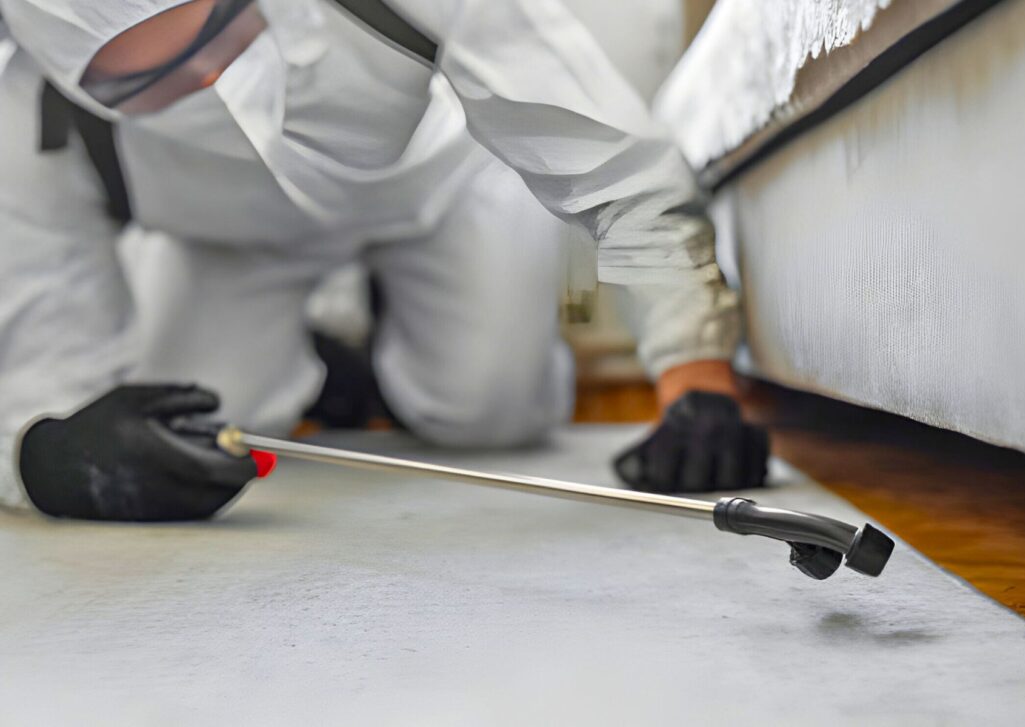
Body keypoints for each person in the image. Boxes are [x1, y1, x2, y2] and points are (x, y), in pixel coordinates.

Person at [0, 0, 769, 522]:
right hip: (227, 245)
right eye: (146, 77)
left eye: (217, 26)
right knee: (202, 433)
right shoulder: (27, 108)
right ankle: (343, 362)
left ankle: (373, 323)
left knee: (488, 411)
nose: (211, 80)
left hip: (440, 187)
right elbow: (38, 367)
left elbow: (608, 159)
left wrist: (695, 372)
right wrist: (51, 458)